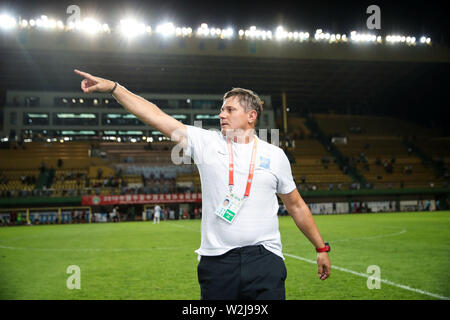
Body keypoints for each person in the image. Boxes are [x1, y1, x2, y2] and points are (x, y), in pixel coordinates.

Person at [74, 69, 331, 300]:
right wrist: (115, 88)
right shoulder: (206, 143)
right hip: (217, 262)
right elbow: (156, 116)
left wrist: (321, 247)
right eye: (221, 109)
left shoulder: (275, 155)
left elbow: (296, 205)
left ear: (252, 116)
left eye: (230, 110)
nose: (221, 115)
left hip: (265, 260)